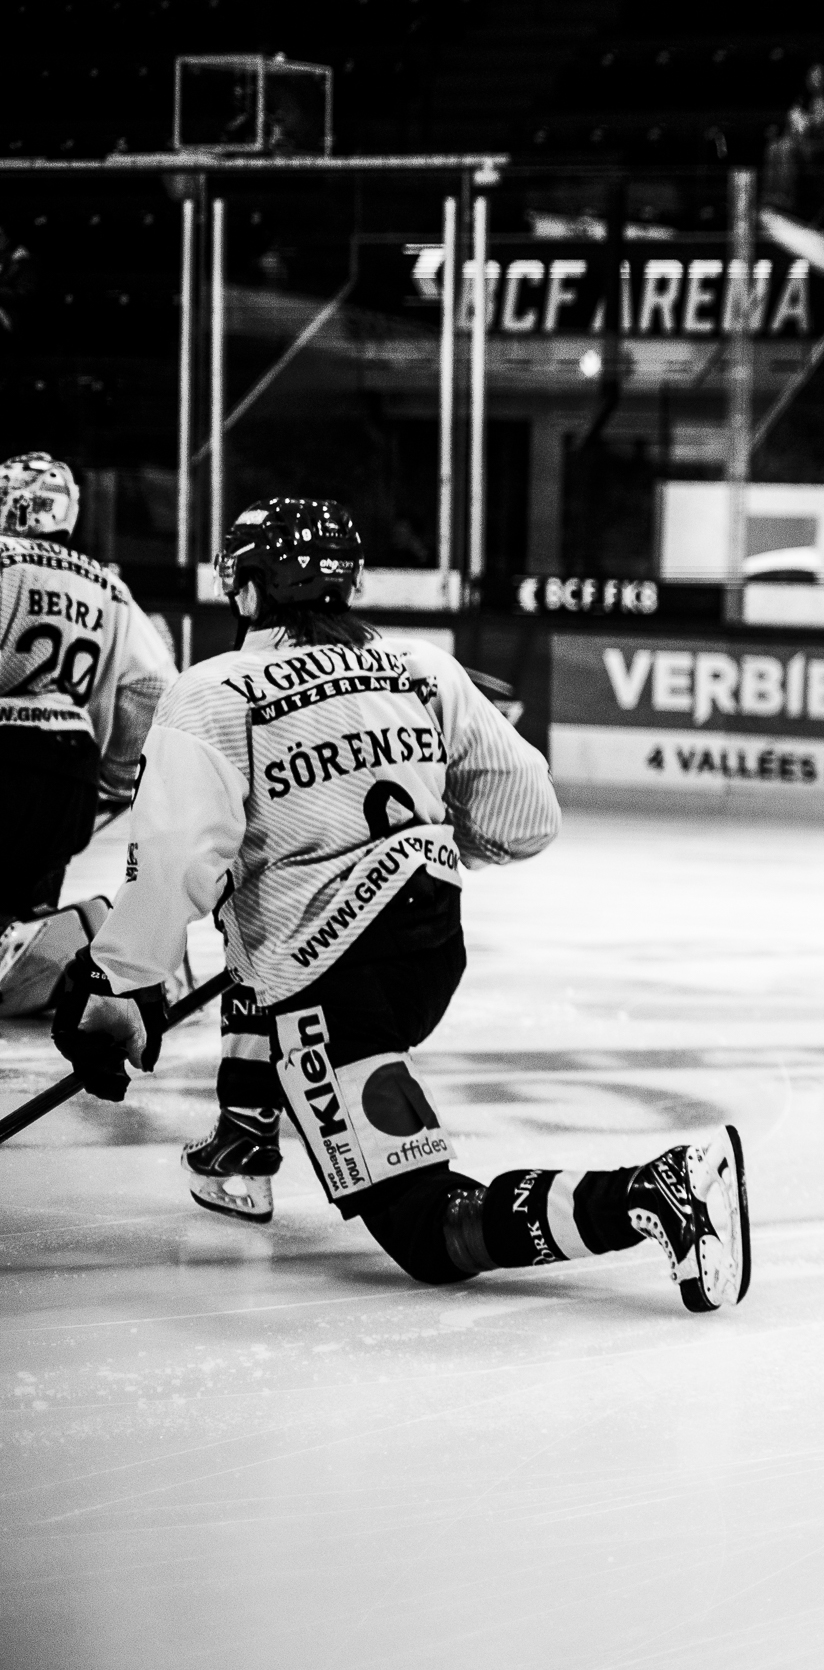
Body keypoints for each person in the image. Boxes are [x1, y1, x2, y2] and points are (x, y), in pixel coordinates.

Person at [49, 498, 750, 1312]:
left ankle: (653, 1191)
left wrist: (119, 982)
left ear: (251, 586)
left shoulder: (211, 691)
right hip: (429, 950)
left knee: (427, 1227)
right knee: (259, 930)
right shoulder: (422, 666)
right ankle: (244, 1142)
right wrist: (418, 849)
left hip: (335, 988)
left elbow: (175, 859)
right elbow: (528, 812)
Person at [0, 453, 175, 1014]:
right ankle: (90, 942)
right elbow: (152, 685)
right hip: (69, 773)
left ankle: (76, 940)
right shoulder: (110, 587)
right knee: (22, 915)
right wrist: (117, 775)